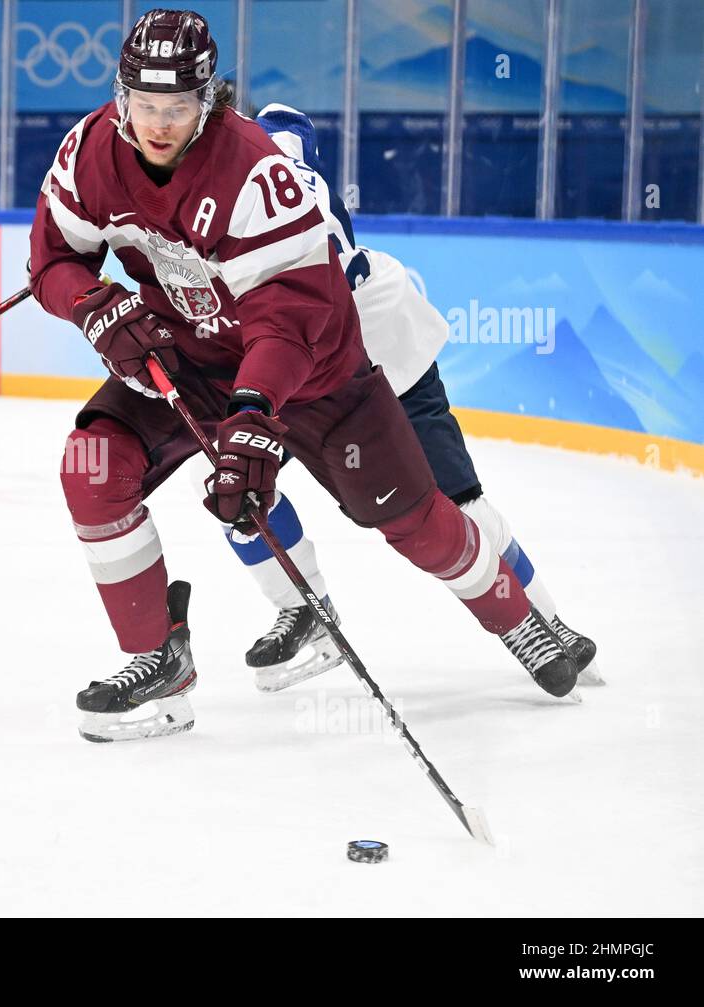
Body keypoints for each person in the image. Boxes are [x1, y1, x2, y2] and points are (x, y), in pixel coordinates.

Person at [30, 9, 580, 744]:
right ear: (121, 95)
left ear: (210, 101)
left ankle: (518, 620)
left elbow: (290, 318)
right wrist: (91, 305)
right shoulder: (90, 149)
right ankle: (158, 664)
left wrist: (254, 411)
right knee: (92, 466)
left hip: (315, 368)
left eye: (178, 108)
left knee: (415, 521)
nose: (159, 124)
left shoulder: (255, 171)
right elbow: (52, 260)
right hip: (187, 354)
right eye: (145, 106)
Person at [230, 101, 600, 692]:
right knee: (239, 486)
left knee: (458, 503)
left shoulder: (255, 161)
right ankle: (308, 610)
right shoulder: (254, 149)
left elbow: (284, 126)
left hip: (369, 338)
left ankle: (547, 623)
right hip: (297, 354)